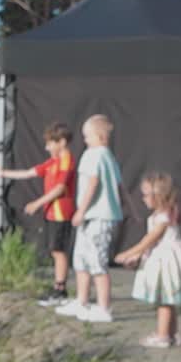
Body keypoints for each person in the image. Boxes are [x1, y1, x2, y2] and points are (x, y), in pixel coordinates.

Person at [0, 121, 76, 306]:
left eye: (50, 143)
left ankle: (61, 289)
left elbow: (60, 188)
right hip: (51, 213)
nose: (46, 147)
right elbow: (28, 173)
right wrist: (1, 173)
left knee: (58, 250)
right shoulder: (53, 161)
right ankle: (58, 287)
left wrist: (37, 203)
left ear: (62, 142)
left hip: (61, 212)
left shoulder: (66, 160)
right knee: (54, 249)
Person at [116, 172, 181, 348]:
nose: (143, 198)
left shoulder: (162, 218)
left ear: (159, 196)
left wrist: (128, 253)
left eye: (146, 194)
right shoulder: (163, 214)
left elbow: (150, 239)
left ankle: (163, 336)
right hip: (163, 258)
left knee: (164, 300)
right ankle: (172, 333)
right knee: (170, 300)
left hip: (166, 263)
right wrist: (137, 257)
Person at [55, 114, 123, 323]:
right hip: (93, 218)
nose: (85, 140)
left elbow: (93, 183)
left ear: (100, 135)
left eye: (88, 136)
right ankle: (81, 300)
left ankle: (104, 308)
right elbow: (120, 186)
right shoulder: (109, 157)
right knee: (81, 260)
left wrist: (81, 210)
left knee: (96, 262)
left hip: (96, 217)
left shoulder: (93, 155)